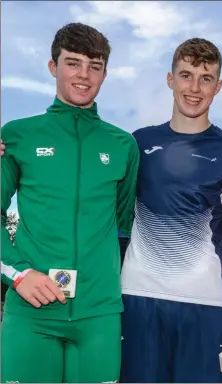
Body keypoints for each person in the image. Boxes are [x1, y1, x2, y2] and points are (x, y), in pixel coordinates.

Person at [1, 22, 139, 383]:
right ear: (53, 67)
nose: (83, 75)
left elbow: (123, 225)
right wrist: (19, 274)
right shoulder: (16, 135)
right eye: (72, 63)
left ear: (105, 74)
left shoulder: (123, 145)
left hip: (99, 316)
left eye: (94, 67)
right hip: (32, 311)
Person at [120, 38, 222, 383]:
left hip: (207, 304)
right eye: (186, 75)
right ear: (170, 79)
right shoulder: (138, 142)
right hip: (139, 297)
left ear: (218, 87)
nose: (194, 88)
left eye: (206, 78)